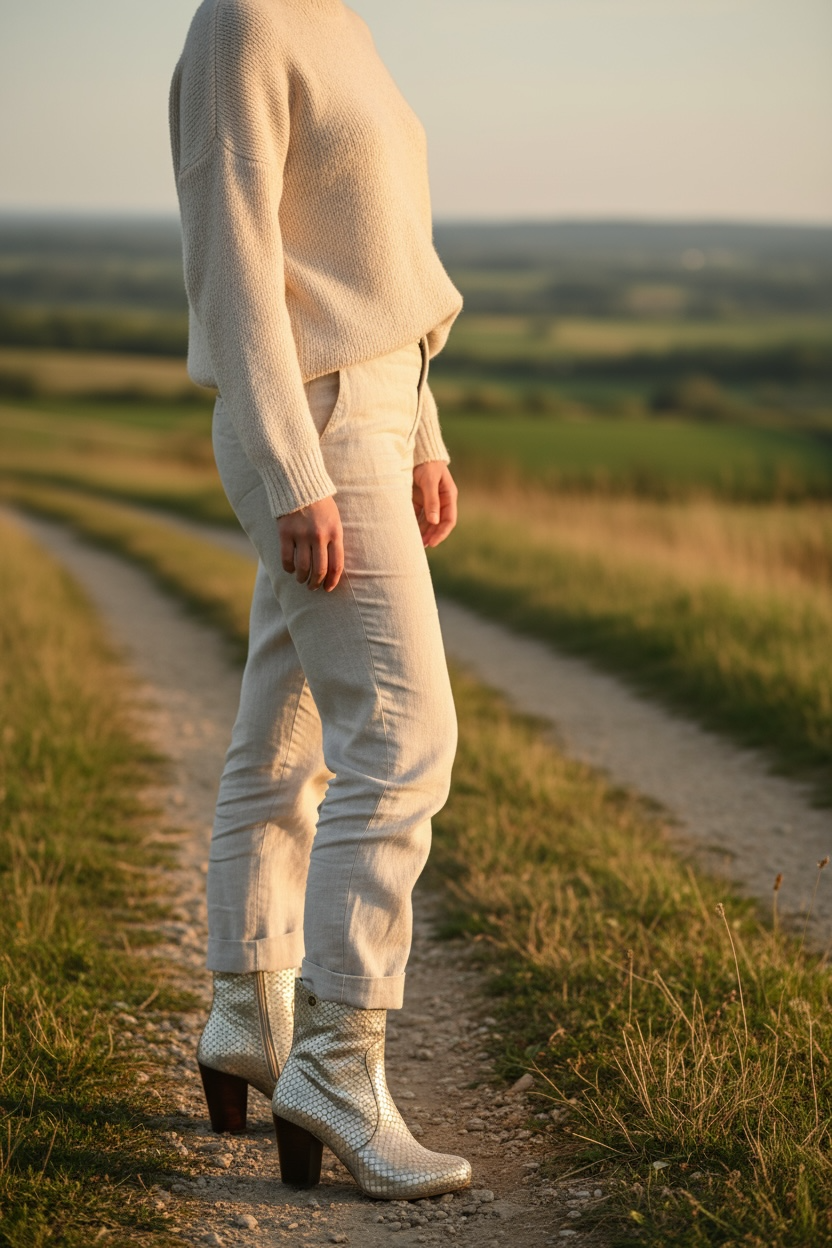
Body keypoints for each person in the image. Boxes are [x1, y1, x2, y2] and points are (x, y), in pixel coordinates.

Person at [169, 0, 470, 1201]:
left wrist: (423, 429)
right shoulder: (244, 21)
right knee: (403, 734)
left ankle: (250, 1012)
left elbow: (370, 257)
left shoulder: (336, 20)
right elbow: (238, 262)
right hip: (311, 418)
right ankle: (341, 1069)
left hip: (372, 407)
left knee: (282, 729)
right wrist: (296, 468)